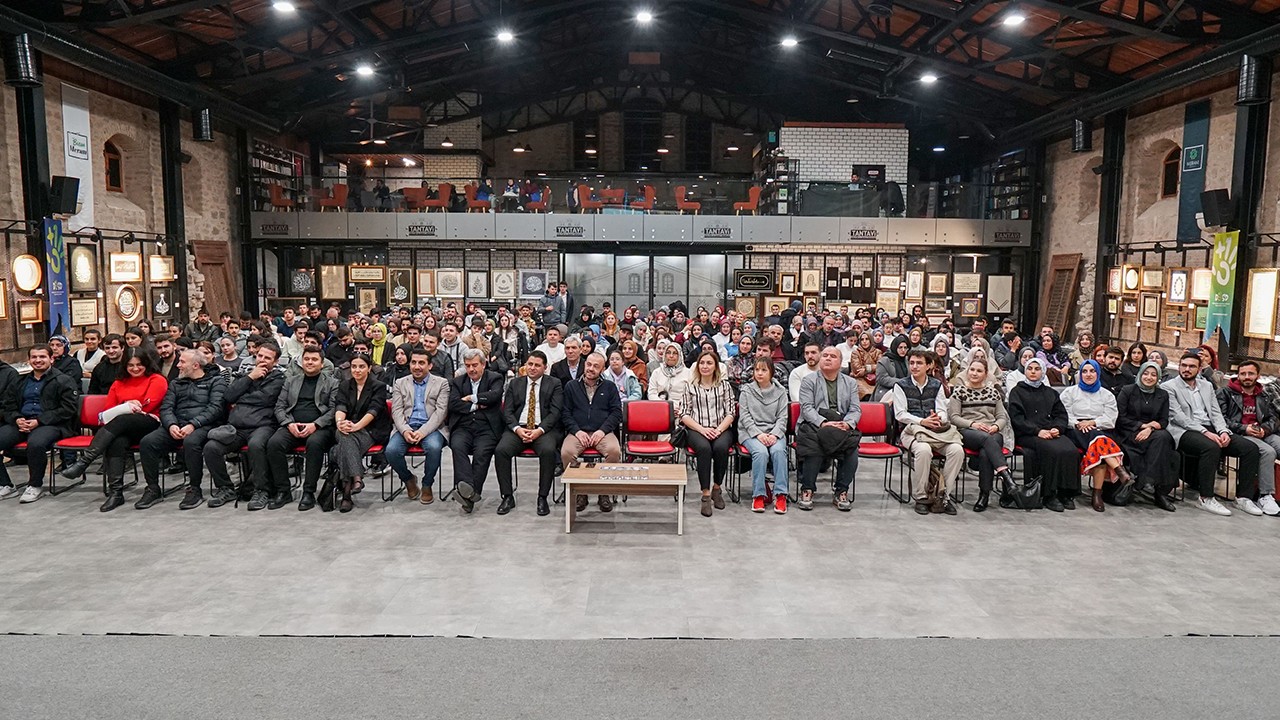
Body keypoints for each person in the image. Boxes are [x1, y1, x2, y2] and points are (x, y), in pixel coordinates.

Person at [60, 347, 169, 512]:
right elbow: (108, 410)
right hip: (122, 427)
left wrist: (124, 407)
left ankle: (84, 461)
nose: (135, 368)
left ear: (146, 364)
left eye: (139, 365)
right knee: (116, 441)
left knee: (122, 419)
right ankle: (116, 492)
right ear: (125, 366)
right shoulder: (118, 383)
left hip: (150, 423)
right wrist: (127, 406)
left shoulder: (157, 379)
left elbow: (149, 404)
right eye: (130, 365)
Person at [1164, 350, 1260, 516]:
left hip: (1210, 427)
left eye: (1191, 366)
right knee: (1211, 447)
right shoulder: (1168, 387)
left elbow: (1216, 413)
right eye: (1184, 365)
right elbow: (1178, 417)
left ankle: (1244, 497)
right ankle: (1206, 498)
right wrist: (1205, 432)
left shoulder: (1207, 386)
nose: (1187, 369)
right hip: (1184, 430)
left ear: (1199, 369)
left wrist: (1223, 431)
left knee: (1250, 448)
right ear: (1179, 367)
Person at [138, 350, 227, 510]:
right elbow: (166, 408)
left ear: (195, 365)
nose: (178, 365)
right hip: (177, 424)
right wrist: (171, 424)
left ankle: (194, 488)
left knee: (191, 442)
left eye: (182, 362)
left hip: (204, 425)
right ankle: (152, 488)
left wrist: (193, 424)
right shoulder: (175, 383)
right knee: (148, 442)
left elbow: (216, 408)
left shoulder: (216, 381)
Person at [204, 343, 286, 509]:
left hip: (263, 425)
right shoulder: (246, 375)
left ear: (275, 362)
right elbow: (228, 396)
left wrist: (242, 398)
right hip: (236, 427)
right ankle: (225, 488)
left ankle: (261, 490)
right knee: (211, 447)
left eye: (267, 358)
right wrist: (250, 378)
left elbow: (265, 399)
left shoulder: (279, 380)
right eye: (260, 356)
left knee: (256, 445)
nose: (262, 360)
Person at [0, 345, 80, 504]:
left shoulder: (63, 380)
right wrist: (16, 418)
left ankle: (35, 485)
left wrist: (39, 421)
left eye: (42, 357)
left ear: (51, 359)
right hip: (22, 423)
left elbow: (68, 409)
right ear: (29, 360)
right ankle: (5, 485)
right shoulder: (20, 381)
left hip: (51, 424)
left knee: (35, 444)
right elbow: (9, 406)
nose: (38, 360)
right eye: (34, 357)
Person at [265, 347, 338, 511]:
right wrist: (288, 423)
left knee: (314, 443)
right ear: (301, 361)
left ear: (322, 363)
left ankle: (308, 492)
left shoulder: (332, 382)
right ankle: (283, 491)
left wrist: (315, 425)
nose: (310, 362)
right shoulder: (291, 381)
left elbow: (334, 410)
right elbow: (279, 407)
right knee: (274, 443)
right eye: (306, 359)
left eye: (314, 359)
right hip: (293, 425)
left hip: (320, 427)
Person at [892, 349, 964, 515]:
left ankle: (942, 495)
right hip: (910, 431)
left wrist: (938, 418)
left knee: (957, 450)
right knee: (923, 450)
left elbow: (941, 409)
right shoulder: (900, 385)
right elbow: (900, 414)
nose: (915, 366)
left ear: (929, 365)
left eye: (919, 363)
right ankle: (922, 496)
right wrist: (922, 421)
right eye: (912, 363)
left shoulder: (936, 385)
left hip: (935, 431)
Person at [494, 351, 564, 517]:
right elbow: (508, 411)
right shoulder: (515, 384)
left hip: (543, 429)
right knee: (501, 450)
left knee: (548, 451)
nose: (532, 368)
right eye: (530, 364)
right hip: (519, 428)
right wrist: (517, 429)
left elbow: (555, 412)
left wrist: (538, 431)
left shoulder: (554, 384)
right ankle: (507, 496)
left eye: (537, 365)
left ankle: (542, 497)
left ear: (545, 368)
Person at [1060, 360, 1134, 512]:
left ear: (1098, 374)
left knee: (1099, 448)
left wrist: (1093, 422)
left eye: (1092, 371)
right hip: (1076, 429)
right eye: (1085, 371)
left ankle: (1097, 494)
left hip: (1100, 428)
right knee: (1100, 442)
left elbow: (1111, 418)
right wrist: (1078, 423)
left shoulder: (1107, 395)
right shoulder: (1070, 392)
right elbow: (1063, 415)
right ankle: (1118, 471)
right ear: (1080, 374)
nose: (1088, 375)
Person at [1008, 358, 1080, 512]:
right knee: (1052, 451)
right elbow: (1017, 418)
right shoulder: (1017, 392)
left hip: (1050, 431)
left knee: (1071, 450)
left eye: (1037, 369)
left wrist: (1058, 428)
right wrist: (1037, 431)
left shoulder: (1050, 392)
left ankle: (1066, 493)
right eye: (1030, 368)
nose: (1033, 372)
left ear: (1043, 372)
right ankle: (1049, 494)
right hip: (1028, 433)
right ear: (1025, 371)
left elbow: (1061, 415)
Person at [795, 346, 861, 512]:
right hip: (814, 424)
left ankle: (841, 491)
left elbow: (855, 409)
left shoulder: (851, 382)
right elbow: (807, 408)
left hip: (840, 424)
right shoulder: (809, 380)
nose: (828, 358)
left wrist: (847, 423)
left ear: (840, 362)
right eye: (825, 355)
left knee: (852, 449)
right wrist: (823, 422)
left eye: (833, 356)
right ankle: (807, 489)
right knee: (814, 446)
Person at [948, 358, 1014, 512]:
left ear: (986, 374)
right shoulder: (959, 391)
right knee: (986, 440)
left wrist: (996, 426)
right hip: (968, 431)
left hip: (992, 431)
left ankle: (984, 494)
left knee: (986, 452)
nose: (974, 373)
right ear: (967, 371)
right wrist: (973, 424)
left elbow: (1002, 417)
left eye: (979, 371)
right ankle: (1006, 476)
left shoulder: (993, 392)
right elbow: (955, 417)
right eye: (972, 370)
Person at [1215, 360, 1280, 516]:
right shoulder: (1225, 393)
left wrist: (1264, 430)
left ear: (1258, 375)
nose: (1246, 377)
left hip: (1262, 432)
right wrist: (1245, 428)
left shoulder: (1264, 394)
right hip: (1239, 433)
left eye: (1250, 373)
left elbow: (1274, 418)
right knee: (1268, 452)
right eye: (1243, 374)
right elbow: (1221, 418)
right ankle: (1265, 495)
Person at [327, 353, 390, 513]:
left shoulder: (378, 386)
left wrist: (356, 426)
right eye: (354, 366)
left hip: (370, 429)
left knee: (338, 450)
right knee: (343, 436)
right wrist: (341, 423)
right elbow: (340, 406)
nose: (357, 370)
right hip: (347, 427)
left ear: (369, 368)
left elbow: (374, 411)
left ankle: (347, 494)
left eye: (361, 366)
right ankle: (356, 478)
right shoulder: (345, 385)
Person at [561, 352, 623, 513]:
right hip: (578, 431)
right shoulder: (571, 386)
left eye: (596, 366)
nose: (591, 368)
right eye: (589, 364)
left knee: (614, 451)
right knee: (567, 452)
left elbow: (617, 413)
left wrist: (602, 431)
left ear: (603, 369)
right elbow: (565, 413)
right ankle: (580, 492)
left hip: (602, 432)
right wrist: (576, 431)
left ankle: (604, 492)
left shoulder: (609, 387)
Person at [678, 350, 737, 518]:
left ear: (716, 366)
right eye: (702, 363)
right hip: (697, 428)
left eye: (709, 363)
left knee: (720, 448)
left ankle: (717, 488)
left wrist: (718, 430)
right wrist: (702, 429)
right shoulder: (690, 386)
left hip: (721, 428)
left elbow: (731, 412)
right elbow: (684, 414)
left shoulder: (725, 386)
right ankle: (705, 494)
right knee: (704, 449)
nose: (705, 366)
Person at [387, 348, 450, 504]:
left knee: (434, 448)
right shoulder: (400, 383)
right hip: (406, 427)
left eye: (421, 363)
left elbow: (440, 413)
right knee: (391, 451)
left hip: (432, 428)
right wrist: (405, 430)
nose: (417, 366)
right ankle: (408, 479)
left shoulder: (442, 383)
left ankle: (427, 484)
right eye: (413, 362)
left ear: (430, 365)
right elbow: (396, 411)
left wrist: (422, 432)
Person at [1115, 361, 1178, 512]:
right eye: (1146, 373)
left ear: (1158, 377)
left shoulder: (1162, 394)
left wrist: (1149, 428)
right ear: (1140, 374)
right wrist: (1142, 426)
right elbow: (1120, 418)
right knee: (1165, 445)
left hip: (1153, 433)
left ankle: (1144, 481)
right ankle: (1158, 491)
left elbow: (1163, 420)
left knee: (1164, 439)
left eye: (1153, 374)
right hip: (1129, 432)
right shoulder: (1128, 390)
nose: (1149, 377)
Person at [446, 349, 504, 514]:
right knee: (457, 447)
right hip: (463, 426)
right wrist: (478, 405)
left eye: (475, 365)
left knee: (481, 454)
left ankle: (466, 495)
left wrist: (471, 398)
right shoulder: (457, 382)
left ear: (483, 364)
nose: (471, 369)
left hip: (487, 427)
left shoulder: (495, 378)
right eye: (468, 366)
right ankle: (471, 493)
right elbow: (453, 404)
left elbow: (494, 396)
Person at [739, 357, 790, 514]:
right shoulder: (746, 390)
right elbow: (745, 417)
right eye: (757, 370)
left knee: (779, 451)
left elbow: (783, 418)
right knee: (760, 453)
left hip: (774, 432)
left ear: (771, 373)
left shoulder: (781, 392)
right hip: (750, 432)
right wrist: (758, 434)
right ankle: (759, 495)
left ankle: (780, 494)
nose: (759, 373)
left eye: (764, 370)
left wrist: (774, 434)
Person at [874, 336, 909, 402]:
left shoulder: (907, 360)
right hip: (887, 391)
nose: (903, 350)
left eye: (905, 348)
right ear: (895, 347)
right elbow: (881, 378)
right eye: (900, 347)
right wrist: (901, 382)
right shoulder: (884, 360)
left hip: (905, 391)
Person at [850, 332, 881, 400]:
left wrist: (867, 368)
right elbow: (857, 369)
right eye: (862, 339)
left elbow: (881, 366)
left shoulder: (878, 352)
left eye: (867, 339)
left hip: (875, 379)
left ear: (871, 340)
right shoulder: (855, 353)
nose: (864, 341)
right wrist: (873, 368)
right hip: (860, 379)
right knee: (865, 393)